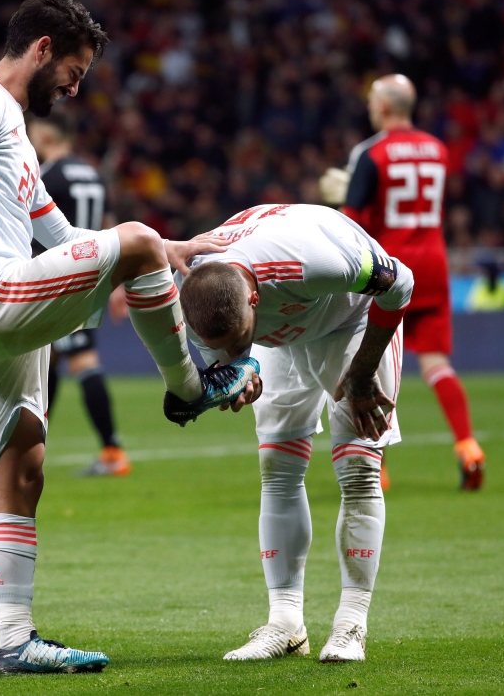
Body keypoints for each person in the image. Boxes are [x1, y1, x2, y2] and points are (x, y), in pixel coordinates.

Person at [0, 0, 256, 676]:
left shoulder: (18, 140)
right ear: (40, 48)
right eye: (73, 69)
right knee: (134, 239)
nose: (75, 86)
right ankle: (190, 387)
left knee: (24, 468)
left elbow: (65, 238)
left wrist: (171, 248)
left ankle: (15, 641)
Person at [174, 203, 413, 664]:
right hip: (280, 335)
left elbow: (400, 282)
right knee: (277, 467)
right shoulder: (199, 285)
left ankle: (351, 623)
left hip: (352, 321)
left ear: (254, 299)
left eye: (235, 337)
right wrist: (235, 368)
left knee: (359, 467)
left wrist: (363, 372)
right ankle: (285, 623)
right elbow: (224, 344)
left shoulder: (311, 261)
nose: (226, 350)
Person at [321, 74, 486, 491]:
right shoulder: (438, 149)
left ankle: (377, 464)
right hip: (433, 261)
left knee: (374, 363)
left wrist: (342, 197)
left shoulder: (371, 152)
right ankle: (467, 445)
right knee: (437, 365)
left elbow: (353, 222)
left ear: (384, 107)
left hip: (390, 268)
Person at [27, 111, 129, 477]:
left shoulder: (45, 176)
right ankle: (34, 446)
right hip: (94, 276)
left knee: (81, 359)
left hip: (61, 279)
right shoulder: (96, 174)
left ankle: (113, 451)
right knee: (49, 359)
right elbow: (108, 228)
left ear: (45, 134)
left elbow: (31, 229)